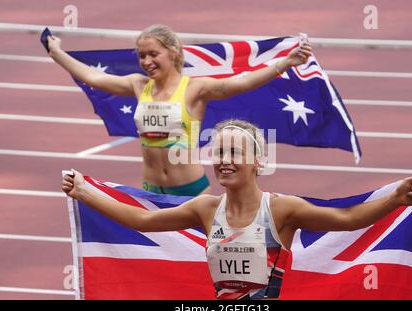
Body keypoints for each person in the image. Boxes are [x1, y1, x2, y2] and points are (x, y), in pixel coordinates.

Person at [62, 119, 412, 300]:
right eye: (219, 152)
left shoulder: (281, 210)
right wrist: (83, 192)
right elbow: (141, 220)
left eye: (235, 153)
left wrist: (395, 199)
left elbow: (347, 220)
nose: (224, 160)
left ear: (258, 162)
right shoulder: (205, 209)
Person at [48, 24, 312, 196]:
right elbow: (93, 78)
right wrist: (56, 52)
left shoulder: (195, 89)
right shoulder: (139, 85)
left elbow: (241, 83)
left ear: (173, 52)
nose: (146, 62)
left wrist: (284, 64)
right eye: (141, 56)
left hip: (190, 191)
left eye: (153, 54)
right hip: (150, 190)